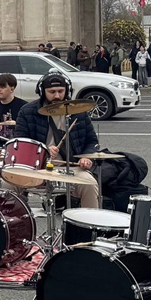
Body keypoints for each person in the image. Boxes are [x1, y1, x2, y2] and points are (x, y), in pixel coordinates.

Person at [14, 72, 100, 208]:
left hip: (69, 166)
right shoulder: (27, 112)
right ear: (42, 92)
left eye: (61, 91)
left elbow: (92, 141)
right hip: (37, 167)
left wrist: (86, 158)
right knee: (7, 183)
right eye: (52, 92)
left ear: (68, 90)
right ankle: (15, 225)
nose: (57, 96)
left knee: (90, 184)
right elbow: (19, 142)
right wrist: (42, 151)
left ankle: (88, 228)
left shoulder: (78, 111)